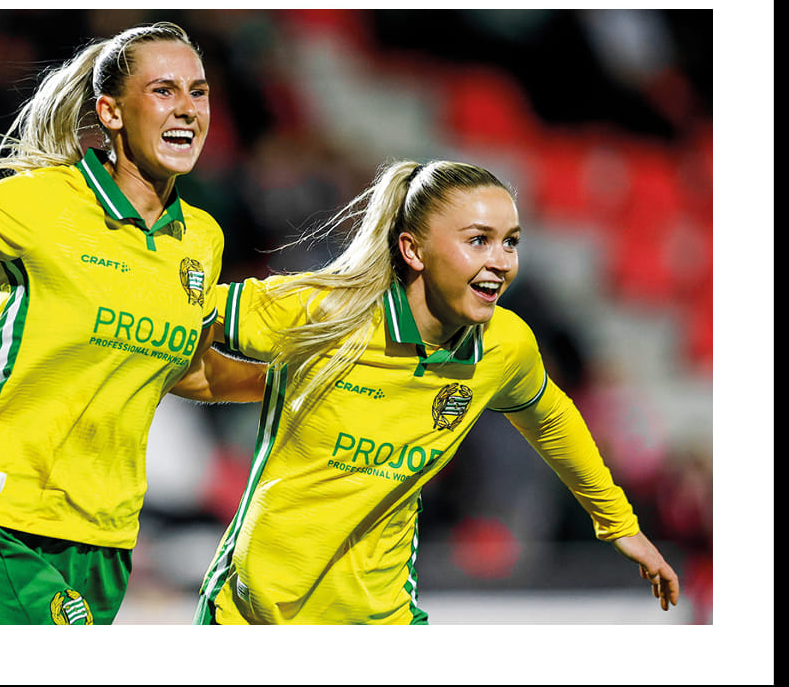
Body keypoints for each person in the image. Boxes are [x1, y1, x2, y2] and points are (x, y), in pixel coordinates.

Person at [0, 22, 264, 625]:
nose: (188, 109)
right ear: (110, 113)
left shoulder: (201, 238)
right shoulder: (38, 203)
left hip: (105, 543)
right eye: (163, 91)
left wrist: (294, 383)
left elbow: (184, 366)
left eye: (198, 92)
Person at [194, 158, 680, 625]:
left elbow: (552, 419)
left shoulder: (503, 344)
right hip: (254, 616)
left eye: (510, 242)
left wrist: (619, 524)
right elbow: (171, 330)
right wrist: (266, 384)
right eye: (479, 240)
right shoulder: (323, 312)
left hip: (383, 618)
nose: (501, 262)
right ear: (414, 250)